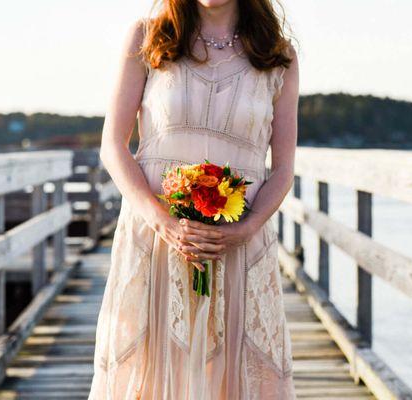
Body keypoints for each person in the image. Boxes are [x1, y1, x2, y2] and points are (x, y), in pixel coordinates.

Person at [89, 0, 299, 398]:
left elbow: (283, 169)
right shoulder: (148, 37)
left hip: (238, 245)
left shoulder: (277, 54)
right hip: (157, 239)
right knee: (152, 369)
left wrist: (246, 228)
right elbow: (113, 146)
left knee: (231, 371)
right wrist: (162, 222)